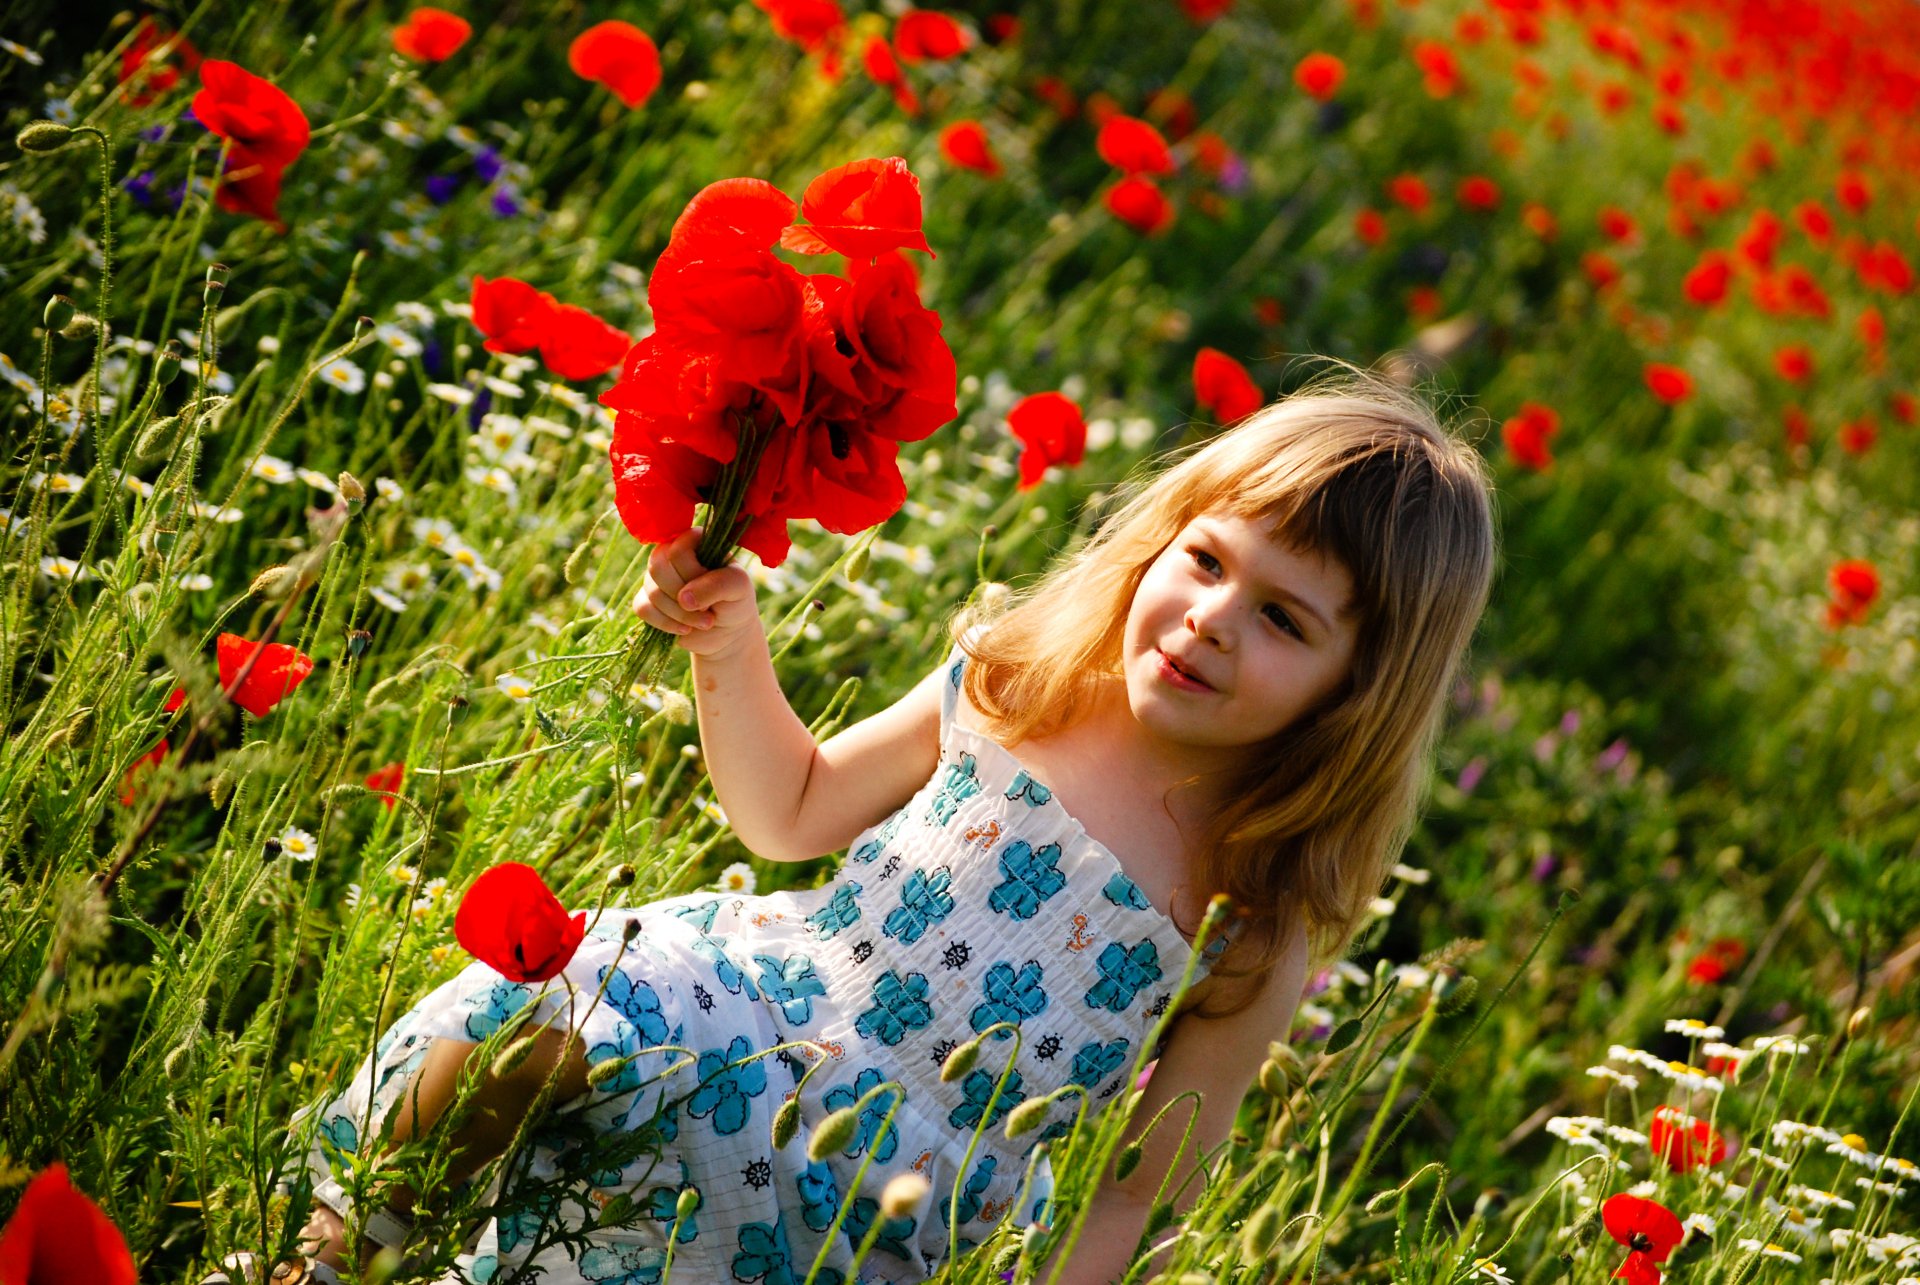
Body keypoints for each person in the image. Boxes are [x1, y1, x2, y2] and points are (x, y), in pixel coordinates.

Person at [213, 366, 1495, 1285]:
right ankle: (331, 1249)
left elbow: (1144, 1188)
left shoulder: (1248, 917)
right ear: (1160, 541)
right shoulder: (1017, 686)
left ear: (1356, 689)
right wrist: (730, 647)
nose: (1214, 616)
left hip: (876, 1205)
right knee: (565, 999)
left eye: (1285, 619)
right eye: (1208, 560)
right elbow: (792, 810)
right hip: (753, 1007)